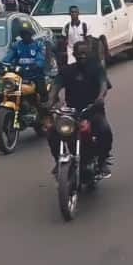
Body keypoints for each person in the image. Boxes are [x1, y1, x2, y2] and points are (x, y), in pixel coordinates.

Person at [51, 40, 113, 177]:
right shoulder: (67, 70)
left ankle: (103, 160)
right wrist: (50, 101)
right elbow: (56, 86)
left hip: (92, 111)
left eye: (85, 53)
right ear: (74, 54)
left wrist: (100, 98)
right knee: (53, 131)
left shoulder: (96, 69)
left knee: (104, 130)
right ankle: (58, 161)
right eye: (79, 53)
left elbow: (103, 84)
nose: (82, 56)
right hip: (71, 113)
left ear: (89, 54)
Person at [2, 26, 47, 104]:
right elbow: (8, 57)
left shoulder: (38, 45)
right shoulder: (16, 45)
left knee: (42, 95)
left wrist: (36, 65)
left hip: (35, 75)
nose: (25, 36)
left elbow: (41, 59)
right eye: (23, 34)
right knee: (7, 89)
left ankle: (43, 112)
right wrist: (2, 65)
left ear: (31, 35)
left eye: (27, 34)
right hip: (20, 75)